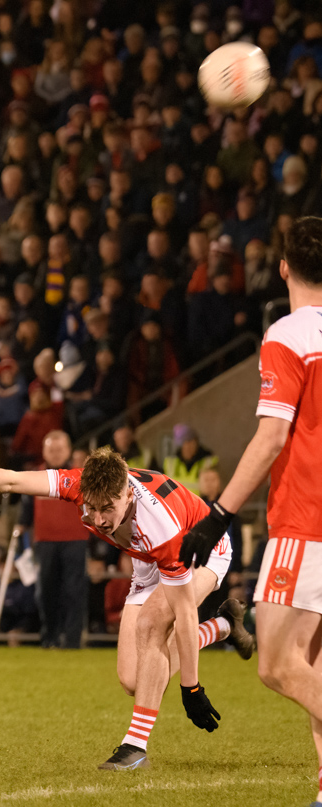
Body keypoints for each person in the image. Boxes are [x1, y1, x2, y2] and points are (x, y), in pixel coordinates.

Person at [0, 445, 255, 770]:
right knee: (133, 681)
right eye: (91, 508)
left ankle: (135, 747)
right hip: (147, 559)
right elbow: (13, 480)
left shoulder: (162, 528)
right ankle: (224, 625)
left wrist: (191, 687)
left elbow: (184, 612)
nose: (98, 519)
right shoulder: (84, 484)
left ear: (127, 495)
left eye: (106, 508)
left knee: (151, 626)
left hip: (200, 552)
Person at [178, 216, 322, 806]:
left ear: (284, 268)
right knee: (313, 664)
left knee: (275, 662)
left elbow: (270, 438)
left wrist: (218, 512)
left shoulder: (289, 334)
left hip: (306, 518)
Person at [15, 431, 90, 649]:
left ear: (68, 450)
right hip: (45, 542)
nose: (56, 454)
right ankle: (50, 638)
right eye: (51, 449)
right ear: (44, 451)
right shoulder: (36, 476)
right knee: (46, 592)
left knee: (74, 592)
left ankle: (73, 641)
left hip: (76, 541)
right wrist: (21, 527)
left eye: (60, 449)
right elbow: (26, 508)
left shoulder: (81, 476)